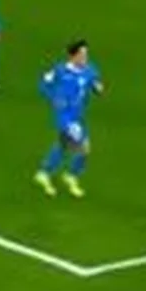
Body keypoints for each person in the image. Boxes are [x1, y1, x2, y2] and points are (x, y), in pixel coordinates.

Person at [35, 40, 104, 198]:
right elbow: (43, 84)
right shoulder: (60, 70)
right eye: (82, 54)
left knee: (64, 144)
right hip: (65, 115)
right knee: (83, 147)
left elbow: (96, 83)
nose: (85, 57)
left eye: (86, 54)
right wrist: (53, 98)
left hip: (78, 115)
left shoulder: (90, 70)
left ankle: (44, 172)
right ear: (73, 56)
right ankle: (71, 175)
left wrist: (98, 88)